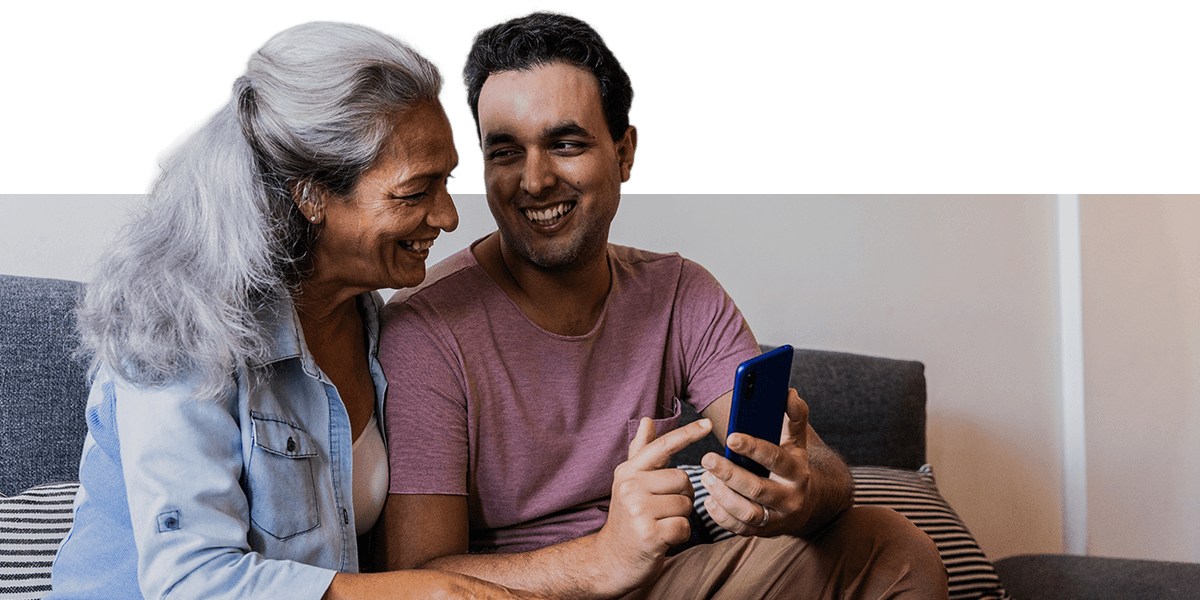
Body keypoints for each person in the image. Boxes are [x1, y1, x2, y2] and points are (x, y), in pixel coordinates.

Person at [377, 9, 948, 600]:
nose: (535, 180)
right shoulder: (425, 325)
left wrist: (798, 488)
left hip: (662, 575)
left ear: (625, 152)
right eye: (505, 153)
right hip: (513, 593)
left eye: (565, 143)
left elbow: (805, 461)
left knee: (892, 546)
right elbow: (420, 575)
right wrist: (604, 556)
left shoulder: (680, 294)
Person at [47, 20, 549, 600]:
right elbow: (192, 581)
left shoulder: (369, 316)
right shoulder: (181, 330)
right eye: (415, 192)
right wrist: (428, 593)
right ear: (310, 195)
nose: (447, 216)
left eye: (448, 182)